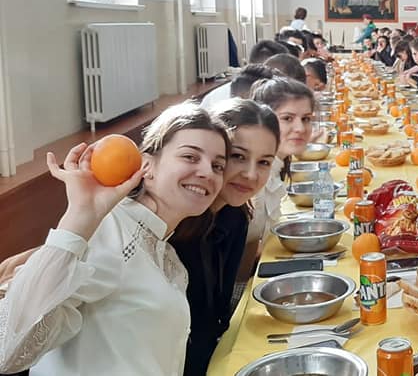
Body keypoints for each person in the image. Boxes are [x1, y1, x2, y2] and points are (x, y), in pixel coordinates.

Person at [0, 103, 230, 375]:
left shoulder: (169, 258)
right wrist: (78, 219)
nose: (207, 172)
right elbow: (8, 350)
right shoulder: (110, 229)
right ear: (146, 165)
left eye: (218, 166)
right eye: (190, 157)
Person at [172, 99, 280, 376]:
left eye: (264, 162)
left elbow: (221, 309)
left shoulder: (234, 216)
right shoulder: (174, 229)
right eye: (238, 156)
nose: (251, 175)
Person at [248, 78, 315, 251]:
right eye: (287, 118)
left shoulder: (277, 166)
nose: (300, 128)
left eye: (306, 119)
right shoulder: (248, 176)